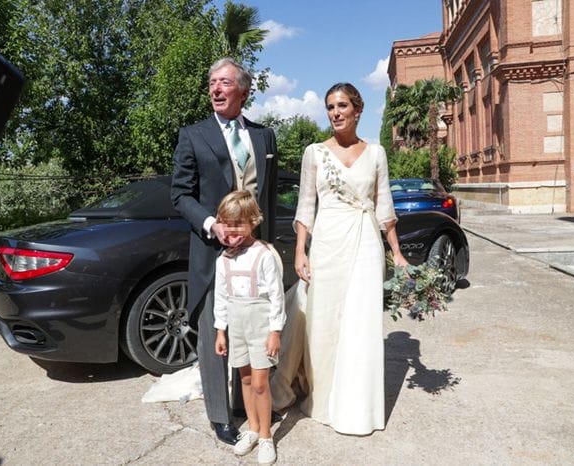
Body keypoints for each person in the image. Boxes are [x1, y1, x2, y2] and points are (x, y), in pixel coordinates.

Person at [289, 82, 409, 435]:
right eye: (330, 107)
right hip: (326, 243)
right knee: (323, 324)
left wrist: (397, 253)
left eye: (342, 105)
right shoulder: (314, 152)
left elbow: (385, 206)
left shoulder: (376, 153)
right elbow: (306, 205)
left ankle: (358, 408)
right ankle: (323, 400)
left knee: (361, 322)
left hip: (366, 244)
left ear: (358, 110)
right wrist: (300, 250)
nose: (335, 112)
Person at [171, 57, 278, 446]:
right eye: (212, 82)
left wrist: (269, 244)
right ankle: (221, 415)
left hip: (255, 252)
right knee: (214, 334)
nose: (215, 89)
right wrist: (210, 225)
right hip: (212, 251)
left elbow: (267, 194)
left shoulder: (264, 136)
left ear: (243, 91)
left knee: (252, 329)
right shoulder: (193, 135)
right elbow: (179, 194)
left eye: (224, 83)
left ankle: (249, 405)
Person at [213, 190, 285, 465]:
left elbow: (277, 297)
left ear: (253, 221)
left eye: (238, 224)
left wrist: (275, 331)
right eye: (227, 224)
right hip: (237, 324)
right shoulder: (223, 259)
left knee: (259, 382)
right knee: (243, 379)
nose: (232, 231)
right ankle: (252, 428)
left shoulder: (264, 255)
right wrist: (221, 330)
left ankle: (266, 436)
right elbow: (221, 296)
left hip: (260, 324)